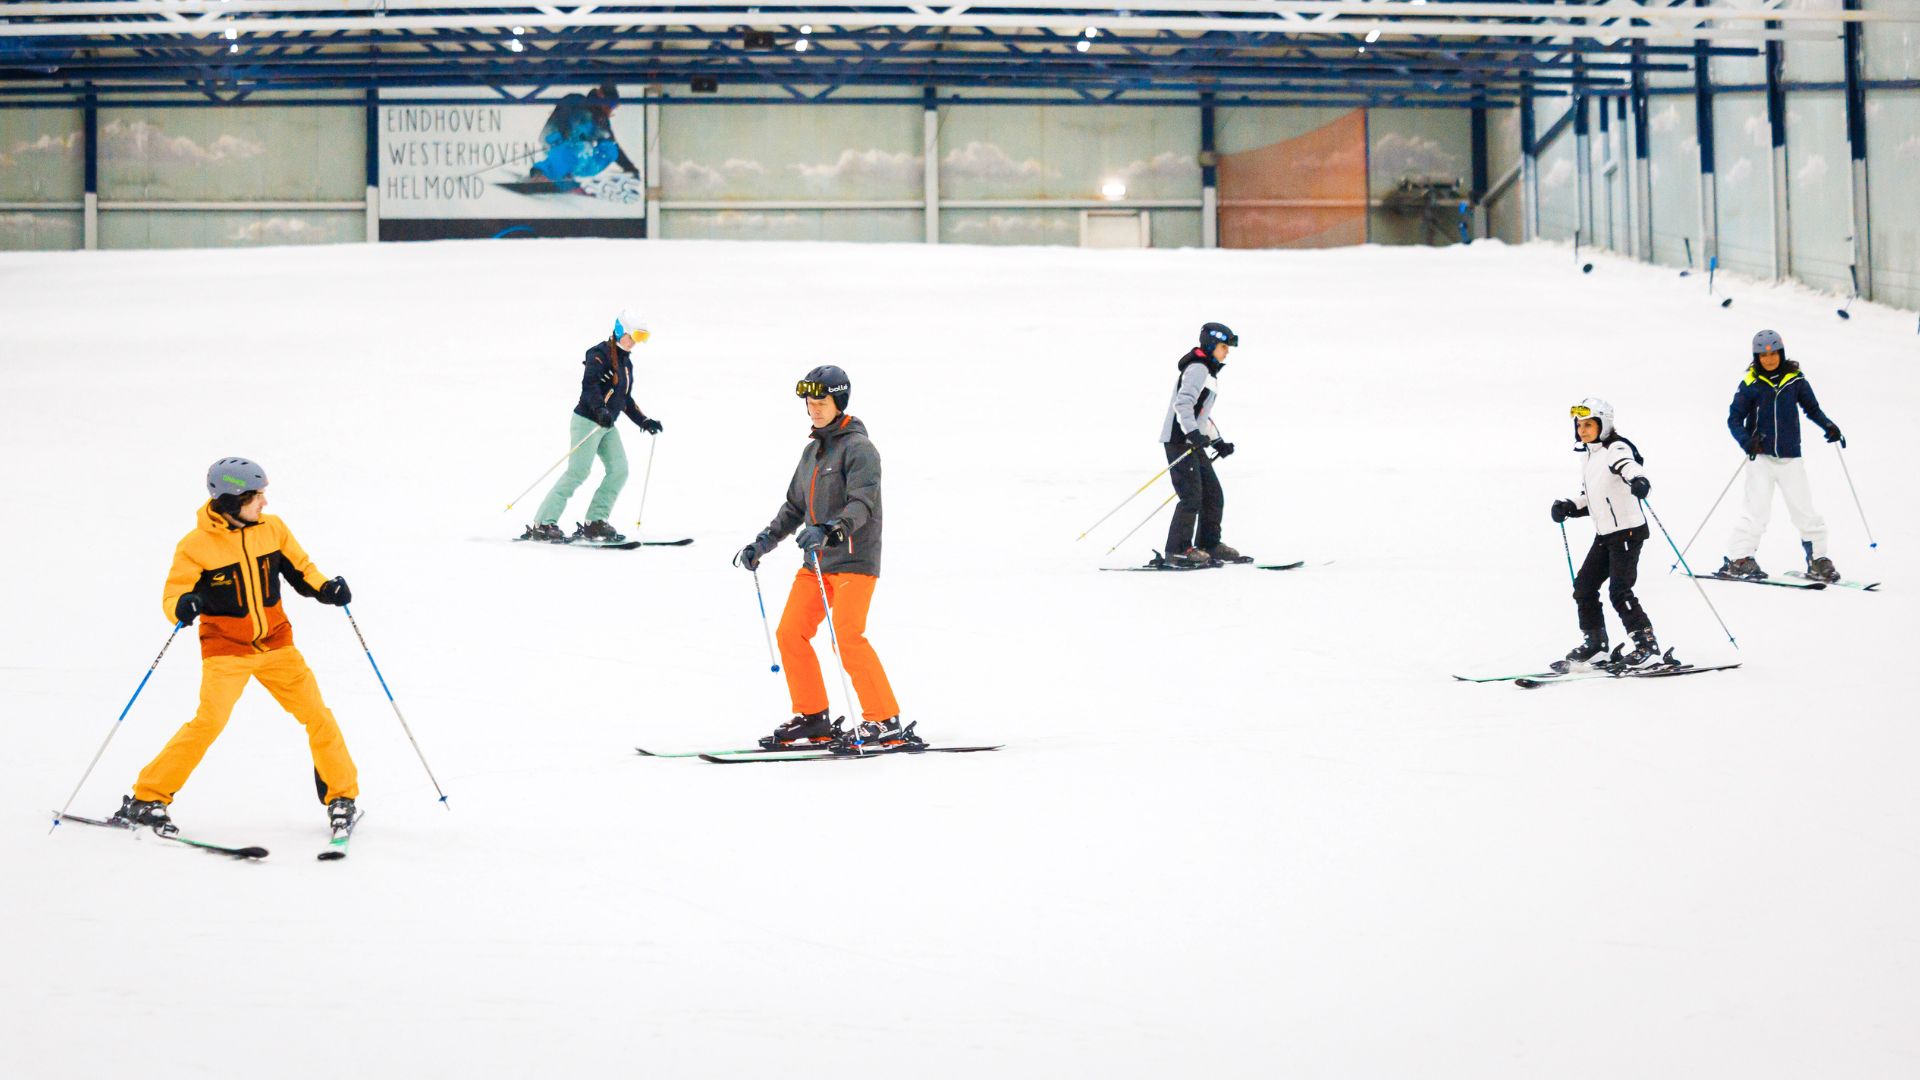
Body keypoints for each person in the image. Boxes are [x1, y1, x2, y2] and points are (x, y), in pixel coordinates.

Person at [110, 458, 359, 836]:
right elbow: (174, 593)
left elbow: (301, 569)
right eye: (257, 496)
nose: (265, 504)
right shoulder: (196, 546)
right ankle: (148, 797)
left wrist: (326, 588)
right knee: (208, 722)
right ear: (231, 500)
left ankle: (342, 797)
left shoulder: (272, 530)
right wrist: (182, 605)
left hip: (277, 645)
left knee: (318, 717)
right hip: (226, 650)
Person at [732, 366, 907, 750]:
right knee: (790, 633)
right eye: (810, 403)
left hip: (852, 560)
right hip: (816, 565)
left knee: (846, 637)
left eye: (821, 402)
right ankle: (813, 717)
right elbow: (794, 508)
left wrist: (830, 530)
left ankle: (885, 719)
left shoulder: (860, 449)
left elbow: (862, 504)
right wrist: (763, 543)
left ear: (839, 402)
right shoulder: (812, 452)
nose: (814, 409)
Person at [522, 309, 663, 544]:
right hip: (587, 420)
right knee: (578, 471)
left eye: (642, 338)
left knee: (619, 470)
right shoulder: (599, 354)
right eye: (635, 335)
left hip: (606, 425)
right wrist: (600, 409)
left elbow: (624, 399)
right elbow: (589, 387)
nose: (636, 342)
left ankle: (595, 522)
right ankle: (543, 523)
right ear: (621, 331)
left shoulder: (626, 363)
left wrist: (644, 420)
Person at [1719, 329, 1845, 583]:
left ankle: (1818, 559)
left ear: (1781, 353)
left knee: (1805, 511)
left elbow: (1812, 408)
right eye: (1763, 356)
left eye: (1773, 354)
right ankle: (1740, 559)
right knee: (1756, 512)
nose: (1769, 359)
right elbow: (1734, 419)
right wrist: (1746, 441)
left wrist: (1829, 426)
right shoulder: (1751, 383)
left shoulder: (1795, 379)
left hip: (1790, 457)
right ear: (1756, 357)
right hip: (1762, 458)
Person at [1550, 399, 1663, 669]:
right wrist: (1569, 506)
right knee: (1584, 588)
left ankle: (1647, 646)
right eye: (1579, 425)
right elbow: (1592, 497)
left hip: (1628, 531)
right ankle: (1596, 645)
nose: (1582, 429)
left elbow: (1628, 465)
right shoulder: (1589, 456)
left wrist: (1639, 480)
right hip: (1606, 535)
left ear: (1604, 424)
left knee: (1619, 591)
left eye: (1588, 424)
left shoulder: (1615, 447)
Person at [1160, 322, 1247, 567]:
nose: (1227, 351)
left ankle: (1209, 544)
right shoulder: (1198, 368)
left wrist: (1217, 441)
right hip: (1179, 442)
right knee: (1192, 497)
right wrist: (1193, 434)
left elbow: (1201, 414)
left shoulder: (1209, 371)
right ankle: (1177, 551)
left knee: (1212, 495)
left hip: (1192, 442)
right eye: (1223, 346)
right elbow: (1183, 404)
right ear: (1210, 345)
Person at [529, 82, 639, 190]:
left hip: (579, 152)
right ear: (600, 96)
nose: (611, 109)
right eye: (611, 104)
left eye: (615, 106)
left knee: (610, 149)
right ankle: (541, 173)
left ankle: (572, 176)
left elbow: (613, 145)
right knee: (580, 148)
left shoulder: (602, 121)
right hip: (555, 137)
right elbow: (562, 114)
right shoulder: (577, 101)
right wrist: (566, 133)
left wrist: (629, 167)